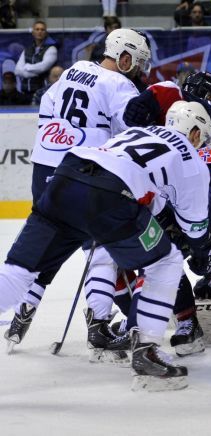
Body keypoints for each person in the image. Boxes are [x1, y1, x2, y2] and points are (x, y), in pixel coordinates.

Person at [0, 100, 211, 391]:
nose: (199, 144)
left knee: (18, 273)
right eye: (201, 138)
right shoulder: (191, 159)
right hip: (111, 197)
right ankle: (146, 355)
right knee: (166, 261)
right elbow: (195, 227)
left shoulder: (140, 132)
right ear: (193, 132)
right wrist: (205, 252)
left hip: (66, 176)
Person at [4, 28, 151, 356]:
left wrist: (60, 135)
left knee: (46, 240)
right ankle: (98, 324)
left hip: (45, 164)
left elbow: (46, 103)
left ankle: (22, 311)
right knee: (99, 248)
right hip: (84, 173)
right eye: (137, 62)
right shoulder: (121, 85)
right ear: (123, 56)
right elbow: (133, 135)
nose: (139, 69)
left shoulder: (74, 69)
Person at [123, 71, 211, 355]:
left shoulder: (182, 109)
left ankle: (186, 325)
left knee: (161, 253)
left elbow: (162, 92)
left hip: (203, 191)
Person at [14, 20, 58, 101]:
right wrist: (33, 73)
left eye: (42, 29)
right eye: (37, 29)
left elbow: (43, 67)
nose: (39, 32)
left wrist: (26, 67)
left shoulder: (51, 49)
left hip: (42, 92)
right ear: (33, 32)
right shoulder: (27, 50)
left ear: (46, 33)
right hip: (24, 92)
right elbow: (17, 70)